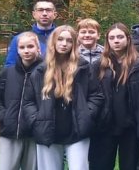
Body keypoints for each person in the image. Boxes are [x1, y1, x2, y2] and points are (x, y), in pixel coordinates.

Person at [22, 25, 104, 170]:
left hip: (77, 130)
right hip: (48, 131)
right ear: (53, 41)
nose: (64, 44)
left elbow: (96, 96)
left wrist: (87, 114)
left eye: (69, 40)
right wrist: (36, 120)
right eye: (60, 39)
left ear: (74, 44)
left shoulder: (83, 69)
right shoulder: (41, 70)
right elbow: (28, 101)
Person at [89, 23, 139, 170]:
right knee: (100, 165)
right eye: (112, 38)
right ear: (107, 41)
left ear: (128, 39)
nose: (116, 41)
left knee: (130, 166)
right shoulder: (99, 66)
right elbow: (92, 94)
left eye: (120, 37)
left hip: (130, 127)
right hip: (104, 126)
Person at [0, 31, 43, 170]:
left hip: (34, 135)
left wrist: (39, 121)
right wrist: (3, 115)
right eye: (22, 47)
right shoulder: (8, 72)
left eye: (30, 46)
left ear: (38, 48)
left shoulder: (45, 72)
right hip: (9, 133)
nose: (26, 50)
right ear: (17, 50)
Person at [5, 0, 58, 67]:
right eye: (40, 10)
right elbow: (10, 67)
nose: (44, 13)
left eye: (48, 10)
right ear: (34, 14)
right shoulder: (20, 39)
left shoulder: (63, 39)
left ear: (55, 15)